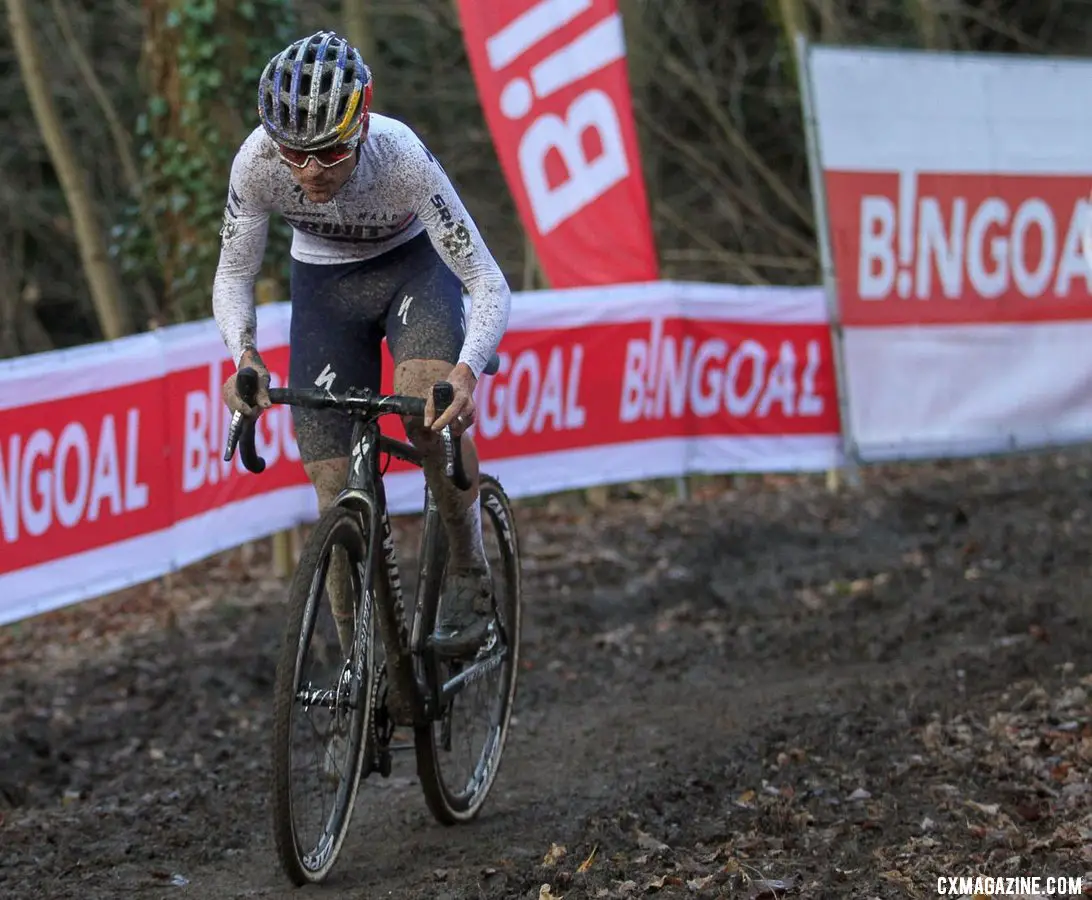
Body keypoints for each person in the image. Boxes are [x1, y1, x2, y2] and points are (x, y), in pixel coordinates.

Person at [211, 29, 511, 659]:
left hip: (412, 271)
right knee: (331, 490)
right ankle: (360, 665)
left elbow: (486, 281)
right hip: (324, 288)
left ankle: (468, 567)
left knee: (424, 413)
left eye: (327, 152)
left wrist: (466, 370)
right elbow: (234, 273)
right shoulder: (257, 161)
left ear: (362, 128)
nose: (309, 170)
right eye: (295, 154)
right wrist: (244, 355)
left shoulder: (402, 158)